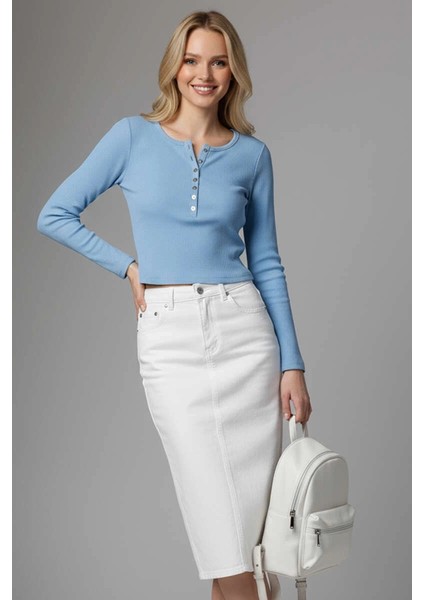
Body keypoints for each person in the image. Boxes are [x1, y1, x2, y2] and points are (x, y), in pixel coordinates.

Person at [37, 10, 312, 600]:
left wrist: (293, 363)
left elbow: (266, 261)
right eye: (192, 60)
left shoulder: (252, 155)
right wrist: (129, 267)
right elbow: (54, 214)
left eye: (218, 62)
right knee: (221, 532)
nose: (203, 74)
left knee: (248, 540)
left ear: (233, 71)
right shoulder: (131, 137)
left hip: (246, 337)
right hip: (171, 342)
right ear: (174, 67)